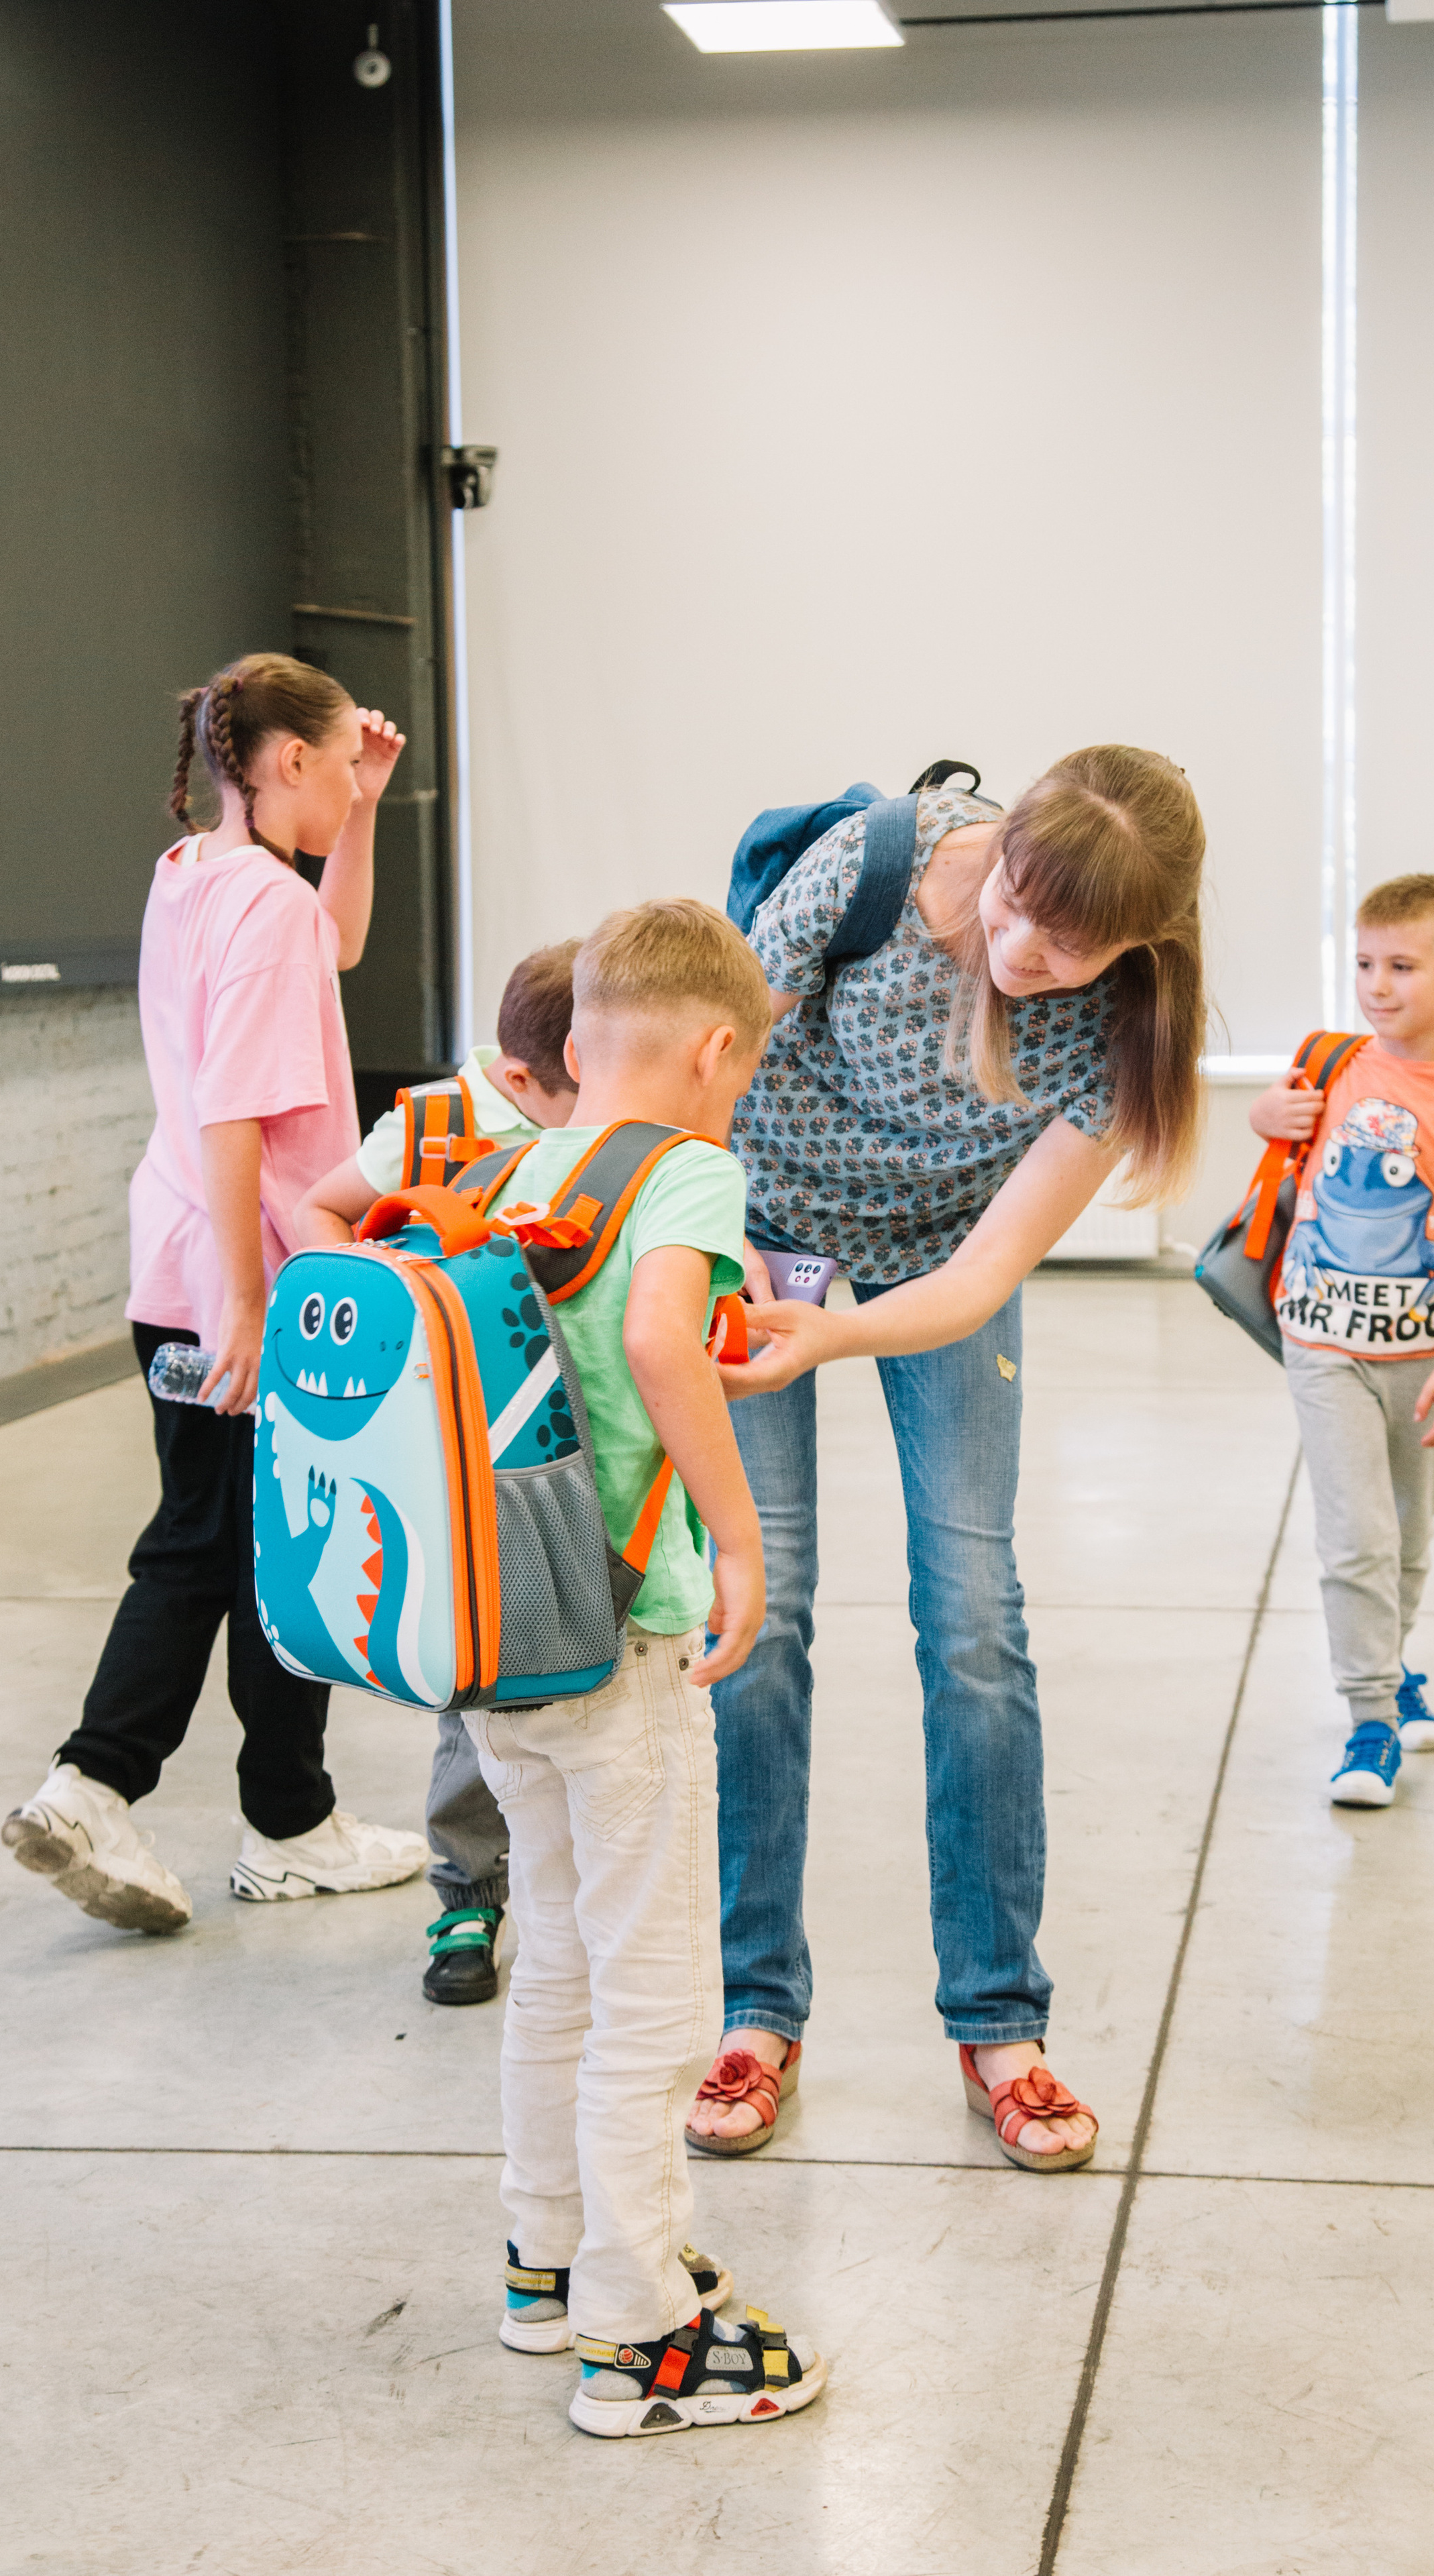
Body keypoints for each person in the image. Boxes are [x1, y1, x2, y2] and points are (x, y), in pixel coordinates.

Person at [685, 745, 1206, 2177]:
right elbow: (700, 1079)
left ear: (1140, 944)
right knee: (756, 1609)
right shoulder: (873, 866)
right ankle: (753, 2009)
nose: (1026, 950)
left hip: (934, 1263)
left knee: (973, 1620)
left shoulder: (1123, 1035)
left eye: (1077, 941)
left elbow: (979, 1279)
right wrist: (738, 1273)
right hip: (759, 1217)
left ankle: (997, 2025)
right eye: (1021, 903)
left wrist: (831, 1341)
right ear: (1004, 848)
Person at [470, 898, 824, 2439]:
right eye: (737, 1076)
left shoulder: (510, 1168)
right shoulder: (682, 1169)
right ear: (714, 1047)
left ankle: (542, 2261)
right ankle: (640, 2330)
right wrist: (741, 1544)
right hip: (616, 1639)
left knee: (550, 1957)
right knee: (655, 1991)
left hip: (497, 1643)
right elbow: (668, 1344)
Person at [2, 653, 429, 1932]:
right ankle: (111, 1785)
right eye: (346, 765)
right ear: (288, 759)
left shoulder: (195, 874)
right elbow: (231, 1111)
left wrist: (361, 810)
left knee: (248, 1541)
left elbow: (337, 941)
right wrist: (250, 1304)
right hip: (245, 1276)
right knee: (234, 1542)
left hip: (178, 1261)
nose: (359, 782)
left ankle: (280, 1812)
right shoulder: (262, 906)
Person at [296, 938, 581, 2006]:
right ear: (521, 1079)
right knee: (477, 1677)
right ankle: (468, 1889)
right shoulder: (428, 1126)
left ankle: (576, 1892)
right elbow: (320, 1212)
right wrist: (386, 1303)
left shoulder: (607, 1118)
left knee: (591, 1662)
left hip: (577, 1441)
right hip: (457, 1452)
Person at [1249, 873, 1434, 1807]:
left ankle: (1393, 1659)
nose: (1377, 984)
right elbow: (1279, 1144)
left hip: (1423, 1351)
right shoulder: (1333, 1064)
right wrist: (1264, 1117)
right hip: (1321, 1343)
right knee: (1356, 1536)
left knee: (1410, 1534)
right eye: (1365, 963)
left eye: (1402, 966)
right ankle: (1371, 1718)